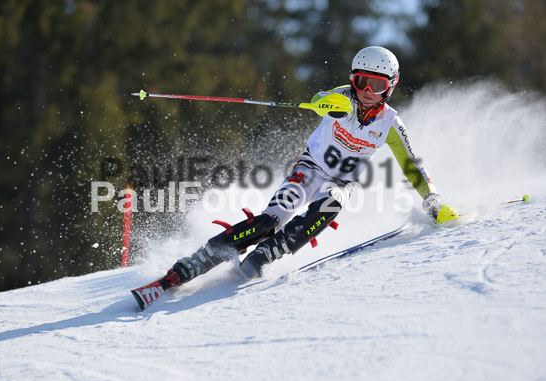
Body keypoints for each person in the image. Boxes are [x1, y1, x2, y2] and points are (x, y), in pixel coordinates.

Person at [161, 46, 458, 288]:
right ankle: (199, 260)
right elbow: (320, 99)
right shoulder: (343, 98)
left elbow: (410, 165)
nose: (367, 90)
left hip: (340, 182)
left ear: (389, 87)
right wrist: (325, 103)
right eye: (361, 82)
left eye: (376, 84)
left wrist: (432, 200)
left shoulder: (390, 124)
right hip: (308, 169)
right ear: (352, 80)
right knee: (269, 221)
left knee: (331, 205)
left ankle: (268, 253)